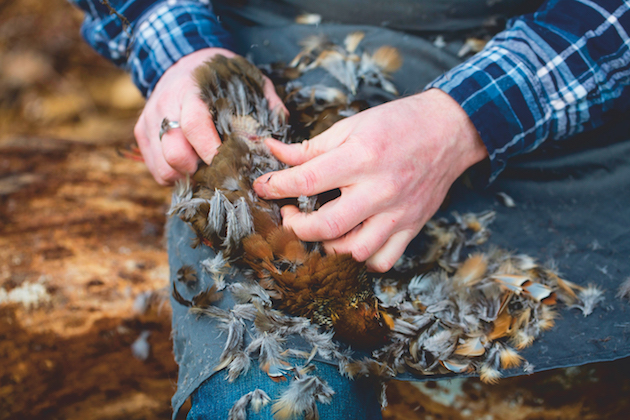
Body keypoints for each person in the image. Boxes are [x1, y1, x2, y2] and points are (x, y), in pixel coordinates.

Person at [70, 0, 630, 418]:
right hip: (270, 51)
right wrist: (176, 46)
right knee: (268, 391)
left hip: (554, 64)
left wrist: (465, 117)